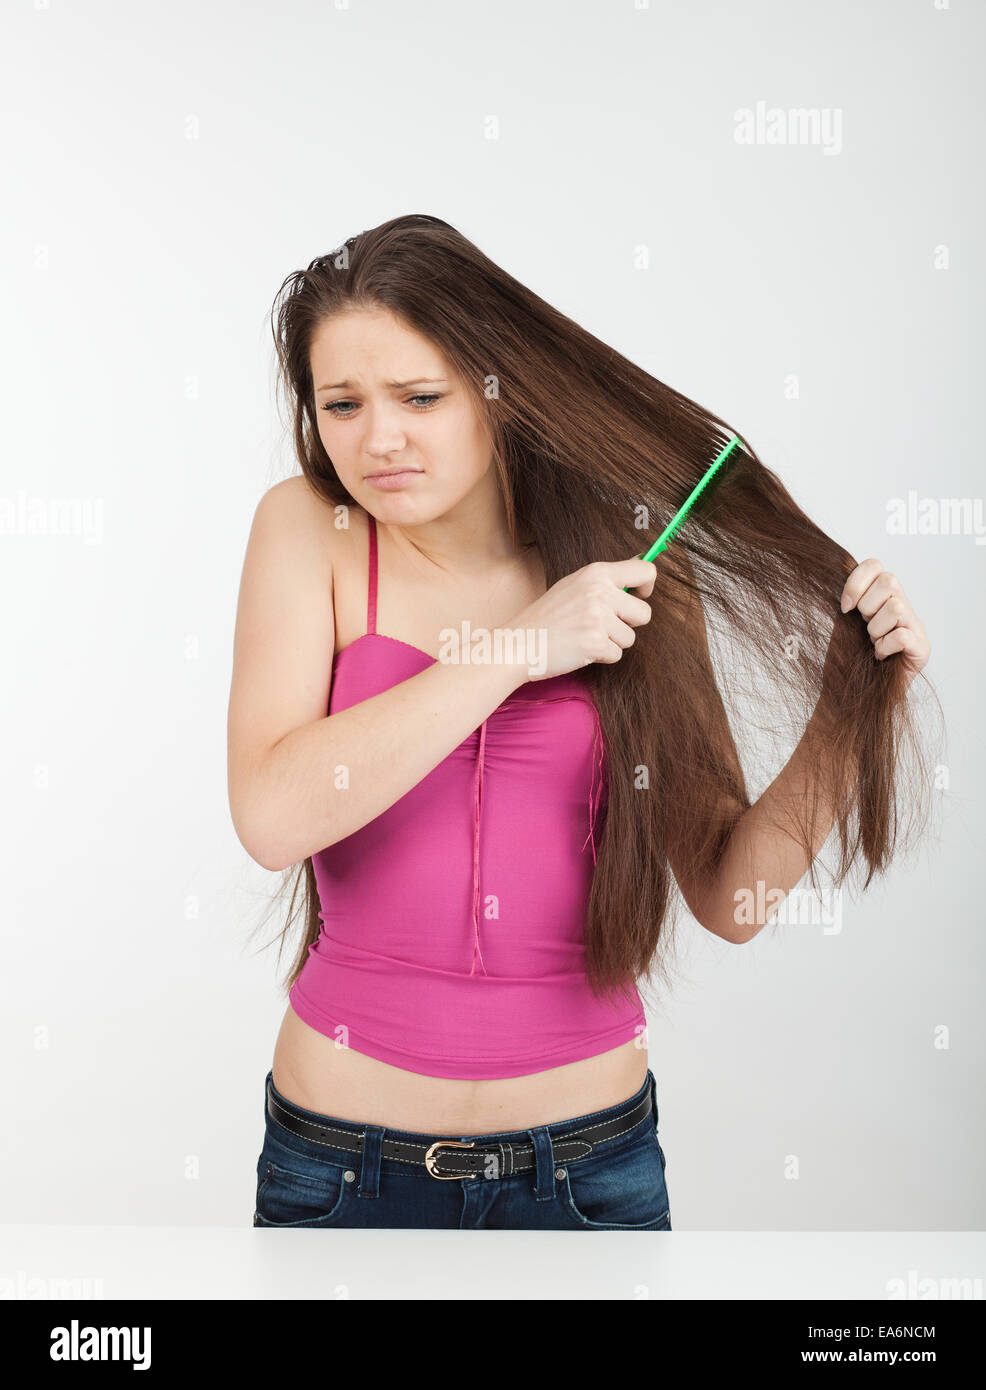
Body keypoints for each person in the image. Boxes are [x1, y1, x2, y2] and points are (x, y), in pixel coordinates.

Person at [227, 215, 933, 1230]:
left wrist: (849, 706)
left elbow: (731, 899)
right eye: (341, 404)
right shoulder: (308, 529)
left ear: (497, 388)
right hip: (342, 1165)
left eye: (418, 397)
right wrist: (518, 646)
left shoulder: (637, 561)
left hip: (586, 1170)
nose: (377, 440)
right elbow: (271, 814)